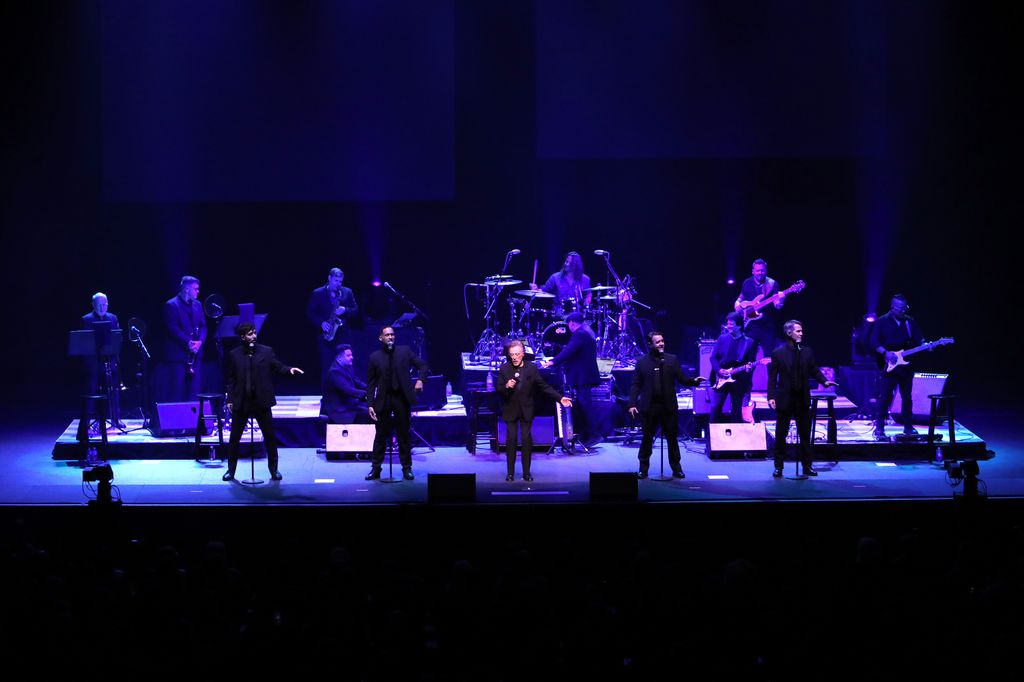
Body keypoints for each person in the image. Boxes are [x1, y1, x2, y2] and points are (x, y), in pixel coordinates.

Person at [222, 322, 304, 481]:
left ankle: (274, 470)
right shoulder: (235, 354)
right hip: (242, 402)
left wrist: (289, 370)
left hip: (261, 402)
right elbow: (231, 379)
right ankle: (231, 471)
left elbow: (278, 367)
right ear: (242, 337)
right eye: (250, 334)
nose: (253, 336)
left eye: (254, 332)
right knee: (234, 439)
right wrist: (230, 399)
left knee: (270, 438)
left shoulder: (266, 352)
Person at [628, 331, 706, 478]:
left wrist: (694, 381)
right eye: (657, 342)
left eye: (662, 341)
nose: (661, 344)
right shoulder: (642, 362)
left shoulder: (671, 360)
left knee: (672, 439)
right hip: (649, 407)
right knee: (647, 439)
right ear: (650, 344)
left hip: (668, 407)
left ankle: (676, 468)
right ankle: (643, 469)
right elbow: (635, 385)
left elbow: (682, 378)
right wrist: (632, 404)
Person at [767, 320, 839, 478]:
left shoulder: (807, 352)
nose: (801, 333)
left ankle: (807, 466)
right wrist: (771, 397)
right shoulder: (778, 353)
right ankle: (778, 466)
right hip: (785, 398)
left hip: (802, 399)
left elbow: (814, 370)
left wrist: (824, 381)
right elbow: (772, 378)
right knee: (781, 434)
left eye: (801, 331)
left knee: (805, 434)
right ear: (789, 333)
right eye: (798, 331)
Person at [497, 340, 573, 481]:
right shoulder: (504, 369)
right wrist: (506, 386)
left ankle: (526, 473)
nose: (514, 357)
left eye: (517, 354)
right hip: (510, 410)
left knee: (526, 440)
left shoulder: (531, 368)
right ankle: (510, 473)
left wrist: (560, 398)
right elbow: (499, 390)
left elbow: (544, 386)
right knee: (511, 440)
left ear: (523, 354)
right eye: (512, 354)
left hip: (527, 410)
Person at [364, 326, 430, 481]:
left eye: (392, 334)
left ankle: (407, 468)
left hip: (401, 398)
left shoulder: (404, 352)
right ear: (381, 338)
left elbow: (423, 365)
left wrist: (421, 380)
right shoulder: (375, 357)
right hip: (383, 399)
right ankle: (376, 469)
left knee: (403, 435)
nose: (390, 337)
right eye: (387, 335)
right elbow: (371, 384)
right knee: (380, 435)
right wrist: (370, 404)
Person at [868, 294, 926, 440]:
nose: (903, 311)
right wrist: (885, 353)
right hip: (888, 366)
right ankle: (880, 427)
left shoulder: (909, 322)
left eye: (905, 308)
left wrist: (926, 345)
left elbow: (919, 339)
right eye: (900, 308)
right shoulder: (881, 321)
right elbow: (873, 343)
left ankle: (908, 427)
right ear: (892, 307)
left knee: (907, 398)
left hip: (906, 366)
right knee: (885, 397)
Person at [541, 311, 601, 447]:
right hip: (584, 375)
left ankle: (595, 434)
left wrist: (552, 361)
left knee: (585, 404)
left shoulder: (579, 334)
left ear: (572, 323)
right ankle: (587, 434)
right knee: (582, 403)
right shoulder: (586, 333)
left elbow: (569, 350)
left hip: (583, 376)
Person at [307, 267, 359, 385]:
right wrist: (321, 322)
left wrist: (345, 310)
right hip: (325, 336)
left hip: (343, 335)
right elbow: (310, 313)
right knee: (327, 367)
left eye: (340, 281)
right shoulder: (317, 293)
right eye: (336, 281)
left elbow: (356, 310)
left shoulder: (347, 292)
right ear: (329, 278)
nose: (338, 284)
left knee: (346, 367)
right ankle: (326, 400)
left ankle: (346, 396)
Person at [81, 292, 124, 428]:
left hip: (110, 360)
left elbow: (117, 338)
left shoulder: (113, 318)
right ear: (93, 305)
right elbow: (85, 343)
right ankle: (88, 420)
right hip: (94, 362)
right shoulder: (86, 319)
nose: (102, 307)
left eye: (105, 304)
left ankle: (116, 419)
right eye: (99, 304)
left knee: (113, 390)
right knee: (91, 390)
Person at [710, 311, 759, 423]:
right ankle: (712, 436)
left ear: (739, 325)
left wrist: (749, 369)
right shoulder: (722, 338)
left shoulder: (749, 342)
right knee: (715, 407)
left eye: (731, 324)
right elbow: (713, 358)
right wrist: (719, 370)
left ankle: (735, 437)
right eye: (728, 324)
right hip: (722, 379)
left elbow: (751, 363)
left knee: (736, 410)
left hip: (739, 380)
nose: (728, 326)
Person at [164, 275, 206, 401]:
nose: (198, 291)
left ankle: (194, 419)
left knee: (194, 391)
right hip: (179, 356)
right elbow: (172, 328)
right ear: (187, 289)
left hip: (195, 354)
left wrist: (200, 342)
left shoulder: (198, 304)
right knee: (178, 391)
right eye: (196, 289)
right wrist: (188, 342)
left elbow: (203, 326)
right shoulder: (171, 305)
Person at [734, 258, 786, 359]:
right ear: (753, 271)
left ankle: (771, 375)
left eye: (762, 270)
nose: (760, 272)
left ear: (766, 271)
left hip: (768, 326)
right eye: (757, 270)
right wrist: (737, 304)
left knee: (769, 358)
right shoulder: (747, 283)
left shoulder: (772, 284)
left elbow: (776, 304)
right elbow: (741, 297)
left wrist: (780, 301)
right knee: (749, 359)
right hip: (751, 326)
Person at [321, 344, 370, 424]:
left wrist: (371, 388)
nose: (352, 357)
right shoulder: (335, 372)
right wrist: (369, 393)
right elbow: (349, 391)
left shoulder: (347, 366)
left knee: (373, 407)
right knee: (370, 413)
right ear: (339, 358)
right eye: (348, 355)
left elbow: (357, 382)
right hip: (340, 409)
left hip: (348, 404)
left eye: (351, 355)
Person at [532, 251, 592, 316]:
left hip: (578, 314)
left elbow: (588, 295)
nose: (567, 264)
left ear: (576, 266)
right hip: (559, 314)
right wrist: (536, 290)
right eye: (566, 261)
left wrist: (586, 303)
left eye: (570, 263)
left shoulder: (585, 279)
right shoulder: (555, 277)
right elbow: (543, 291)